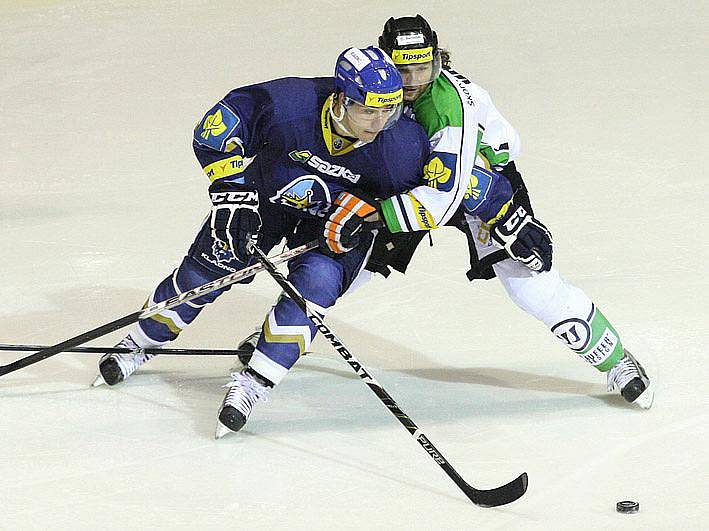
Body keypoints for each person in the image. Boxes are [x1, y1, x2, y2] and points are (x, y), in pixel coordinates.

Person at [239, 16, 653, 409]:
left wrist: (506, 214)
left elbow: (449, 193)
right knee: (352, 265)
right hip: (414, 184)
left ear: (439, 59)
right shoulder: (378, 93)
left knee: (533, 285)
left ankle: (614, 359)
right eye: (405, 70)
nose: (416, 81)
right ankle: (279, 335)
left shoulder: (448, 109)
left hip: (483, 187)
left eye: (425, 67)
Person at [94, 46, 433, 438]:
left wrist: (371, 217)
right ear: (341, 98)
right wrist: (231, 195)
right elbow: (217, 128)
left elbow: (430, 201)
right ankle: (140, 342)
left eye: (388, 111)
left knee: (315, 287)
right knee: (204, 272)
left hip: (333, 222)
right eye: (368, 110)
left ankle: (255, 383)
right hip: (263, 200)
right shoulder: (290, 103)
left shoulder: (403, 146)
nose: (378, 123)